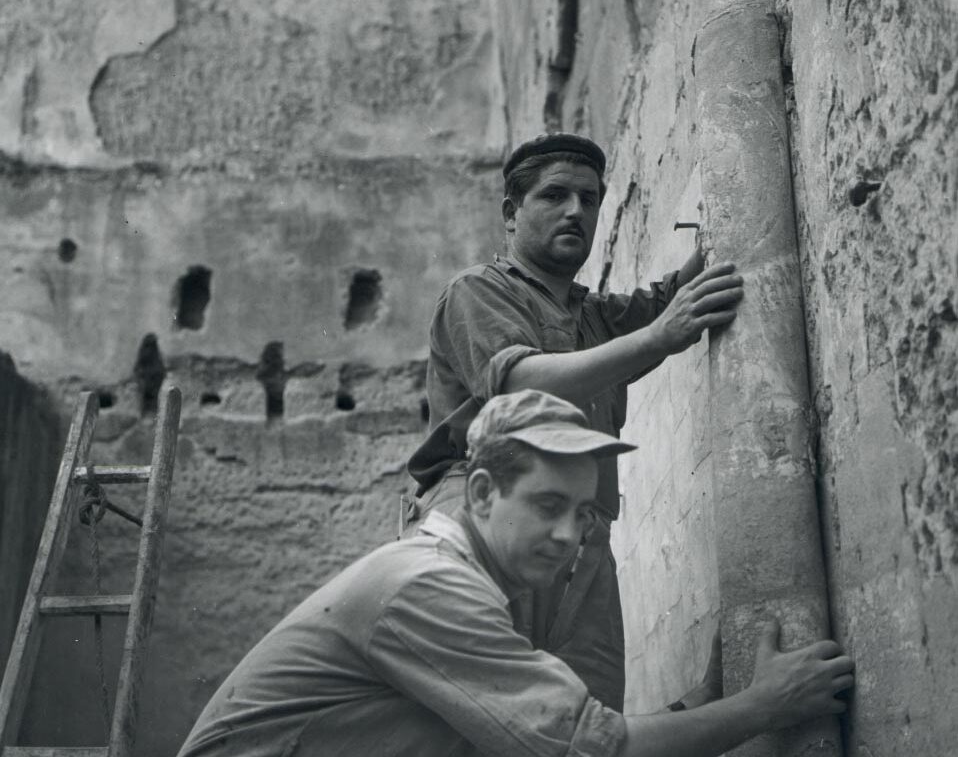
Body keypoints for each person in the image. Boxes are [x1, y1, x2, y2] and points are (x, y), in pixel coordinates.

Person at [176, 390, 854, 757]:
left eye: (583, 512)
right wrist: (764, 707)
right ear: (479, 494)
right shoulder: (431, 585)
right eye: (548, 506)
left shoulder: (460, 582)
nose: (568, 535)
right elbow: (588, 750)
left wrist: (696, 706)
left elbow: (546, 732)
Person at [405, 133, 745, 710]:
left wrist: (719, 240)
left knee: (589, 716)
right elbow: (521, 383)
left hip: (581, 536)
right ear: (511, 213)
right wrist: (661, 334)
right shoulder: (477, 291)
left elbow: (666, 302)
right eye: (554, 196)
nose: (576, 211)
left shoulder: (594, 316)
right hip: (487, 518)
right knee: (481, 720)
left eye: (589, 200)